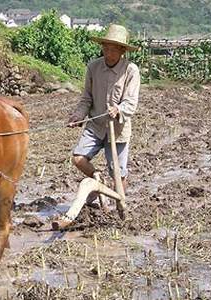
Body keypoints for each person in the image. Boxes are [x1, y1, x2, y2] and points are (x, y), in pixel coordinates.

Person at [54, 24, 141, 229]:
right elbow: (86, 98)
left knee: (118, 173)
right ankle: (96, 177)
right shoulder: (93, 67)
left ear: (122, 51)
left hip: (117, 129)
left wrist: (118, 110)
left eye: (113, 48)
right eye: (105, 47)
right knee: (78, 159)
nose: (108, 51)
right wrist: (78, 115)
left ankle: (121, 206)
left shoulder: (130, 70)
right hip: (96, 124)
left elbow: (131, 101)